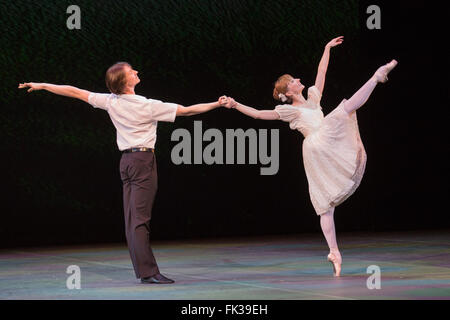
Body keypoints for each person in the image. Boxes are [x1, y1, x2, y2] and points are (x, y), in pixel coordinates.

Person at [19, 62, 232, 284]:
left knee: (132, 220)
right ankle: (149, 272)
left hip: (126, 161)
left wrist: (42, 85)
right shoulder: (147, 105)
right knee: (139, 220)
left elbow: (73, 91)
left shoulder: (110, 102)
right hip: (142, 161)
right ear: (124, 82)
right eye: (132, 72)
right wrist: (217, 104)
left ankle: (144, 270)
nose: (137, 72)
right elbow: (188, 110)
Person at [227, 36, 397, 276]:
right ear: (289, 90)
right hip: (317, 143)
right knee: (344, 110)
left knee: (326, 205)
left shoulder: (313, 98)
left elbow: (322, 71)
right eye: (294, 80)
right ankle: (376, 77)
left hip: (324, 143)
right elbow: (257, 114)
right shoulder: (290, 111)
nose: (298, 79)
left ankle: (334, 252)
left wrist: (327, 49)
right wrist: (236, 105)